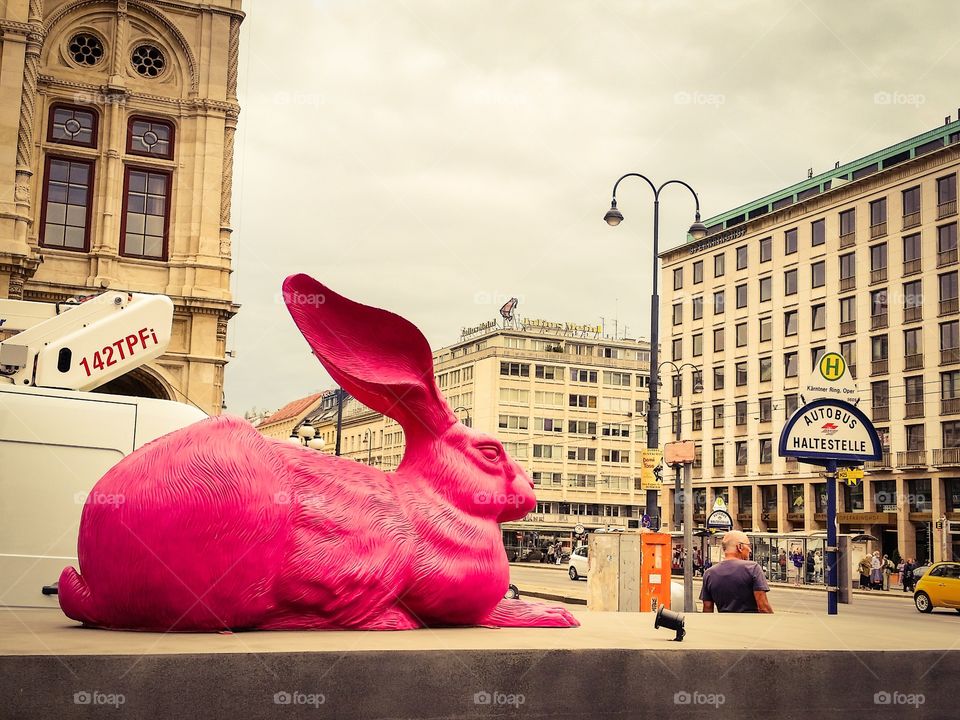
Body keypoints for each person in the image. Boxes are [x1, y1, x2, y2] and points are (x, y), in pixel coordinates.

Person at [700, 530, 774, 613]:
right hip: (751, 624)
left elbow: (707, 607)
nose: (750, 550)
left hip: (723, 624)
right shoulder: (753, 568)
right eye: (748, 546)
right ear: (740, 547)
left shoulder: (709, 573)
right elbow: (763, 607)